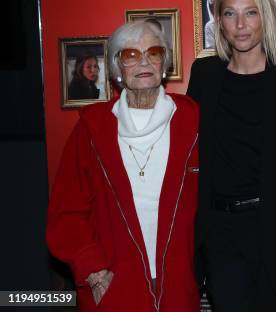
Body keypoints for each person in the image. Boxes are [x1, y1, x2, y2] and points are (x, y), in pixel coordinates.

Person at [47, 21, 200, 311]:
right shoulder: (91, 128)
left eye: (153, 52)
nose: (143, 61)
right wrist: (91, 267)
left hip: (179, 287)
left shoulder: (192, 120)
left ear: (164, 63)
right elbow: (65, 213)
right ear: (117, 68)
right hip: (115, 287)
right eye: (130, 55)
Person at [187, 0, 276, 311]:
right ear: (219, 22)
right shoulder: (205, 76)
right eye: (230, 14)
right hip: (220, 235)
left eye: (251, 13)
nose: (241, 25)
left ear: (266, 17)